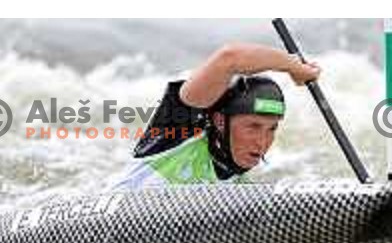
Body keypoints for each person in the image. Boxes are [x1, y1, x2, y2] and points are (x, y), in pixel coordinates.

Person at [112, 43, 321, 190]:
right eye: (253, 126)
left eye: (272, 129)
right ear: (220, 121)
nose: (263, 141)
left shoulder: (241, 192)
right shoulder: (178, 132)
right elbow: (229, 57)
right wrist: (293, 66)